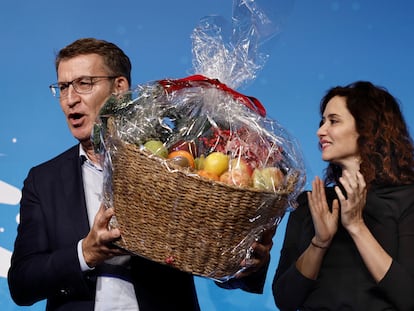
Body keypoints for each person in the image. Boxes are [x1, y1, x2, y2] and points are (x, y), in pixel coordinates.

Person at [7, 38, 275, 311]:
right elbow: (21, 284)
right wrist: (85, 253)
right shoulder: (44, 180)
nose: (70, 99)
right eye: (63, 87)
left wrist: (245, 265)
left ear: (119, 88)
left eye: (84, 83)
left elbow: (218, 267)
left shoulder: (176, 166)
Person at [272, 81, 414, 310]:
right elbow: (285, 300)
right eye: (322, 121)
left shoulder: (407, 199)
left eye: (334, 121)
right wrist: (320, 242)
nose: (320, 131)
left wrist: (357, 227)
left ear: (367, 127)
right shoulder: (309, 203)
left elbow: (409, 298)